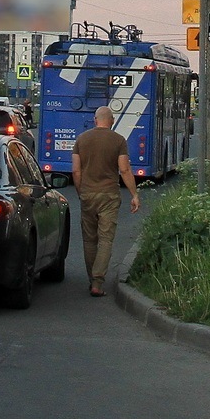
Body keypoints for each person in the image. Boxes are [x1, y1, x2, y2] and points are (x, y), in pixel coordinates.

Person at [70, 105, 141, 297]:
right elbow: (124, 169)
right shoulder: (119, 140)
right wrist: (134, 194)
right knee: (106, 239)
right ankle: (97, 282)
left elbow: (76, 171)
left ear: (95, 120)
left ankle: (91, 279)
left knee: (89, 239)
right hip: (109, 196)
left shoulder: (81, 139)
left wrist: (81, 191)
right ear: (112, 121)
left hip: (87, 195)